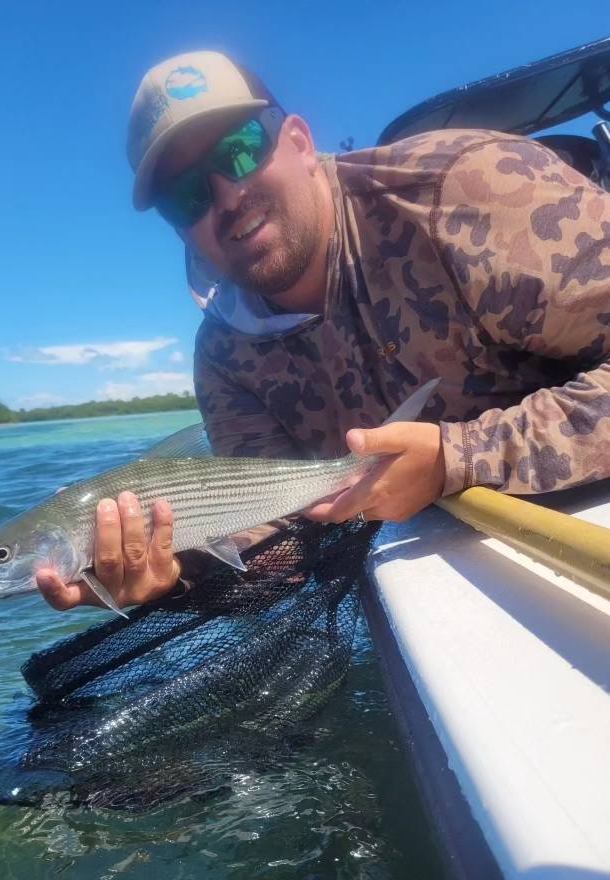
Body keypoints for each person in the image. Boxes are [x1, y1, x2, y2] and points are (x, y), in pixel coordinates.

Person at [37, 50, 610, 613]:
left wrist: (459, 458)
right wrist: (170, 571)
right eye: (187, 195)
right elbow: (279, 552)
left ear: (300, 142)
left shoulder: (469, 193)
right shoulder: (224, 357)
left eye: (238, 153)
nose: (226, 198)